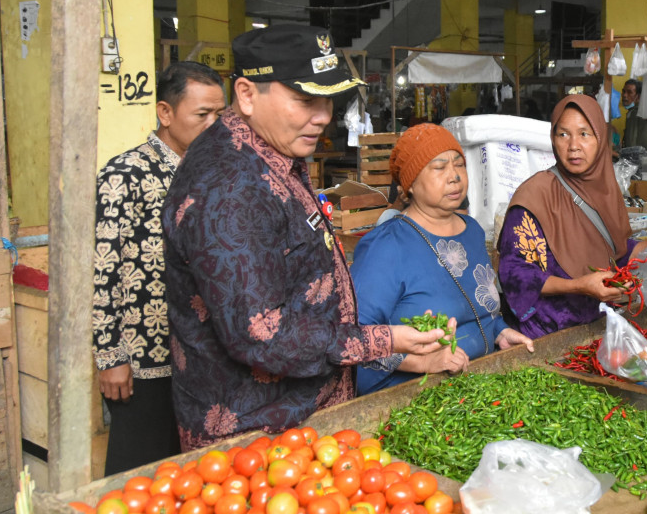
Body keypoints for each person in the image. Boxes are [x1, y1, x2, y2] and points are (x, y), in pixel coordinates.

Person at [162, 24, 447, 450]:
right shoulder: (227, 188)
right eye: (305, 100)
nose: (324, 116)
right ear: (246, 94)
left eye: (327, 99)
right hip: (257, 439)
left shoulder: (271, 150)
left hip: (309, 416)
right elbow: (261, 333)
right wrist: (384, 341)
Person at [93, 61, 226, 474]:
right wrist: (110, 356)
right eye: (202, 114)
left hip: (203, 353)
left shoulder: (214, 173)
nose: (214, 125)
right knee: (139, 469)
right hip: (146, 357)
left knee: (193, 472)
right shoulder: (125, 175)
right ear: (165, 114)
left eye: (221, 114)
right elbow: (103, 272)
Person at [350, 124, 535, 393]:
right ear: (410, 183)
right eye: (439, 168)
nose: (455, 177)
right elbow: (354, 340)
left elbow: (478, 307)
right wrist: (424, 362)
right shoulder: (386, 246)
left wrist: (500, 333)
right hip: (409, 397)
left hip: (475, 386)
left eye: (459, 165)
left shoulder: (471, 230)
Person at [497, 94, 647, 338]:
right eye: (563, 134)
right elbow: (514, 274)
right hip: (545, 334)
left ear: (601, 139)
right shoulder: (535, 196)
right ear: (553, 139)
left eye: (585, 134)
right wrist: (580, 286)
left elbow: (610, 251)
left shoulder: (603, 190)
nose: (573, 145)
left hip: (596, 327)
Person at [619, 79, 647, 154]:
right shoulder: (641, 111)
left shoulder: (635, 113)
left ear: (639, 97)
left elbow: (631, 142)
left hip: (638, 161)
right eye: (624, 91)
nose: (624, 95)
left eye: (629, 92)